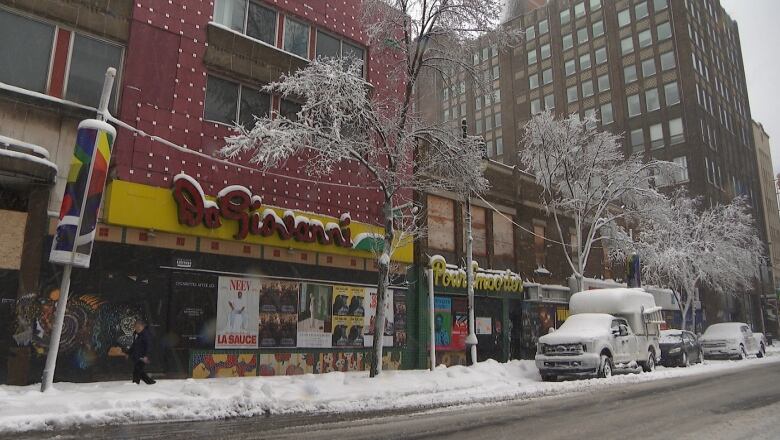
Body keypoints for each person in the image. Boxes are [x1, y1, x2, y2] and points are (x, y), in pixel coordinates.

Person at [128, 319, 155, 385]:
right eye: (136, 327)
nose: (137, 328)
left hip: (143, 356)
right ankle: (151, 382)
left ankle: (135, 384)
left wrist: (146, 356)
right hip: (138, 356)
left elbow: (149, 346)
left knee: (137, 371)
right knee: (140, 371)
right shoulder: (137, 334)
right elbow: (134, 345)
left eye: (139, 327)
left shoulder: (146, 334)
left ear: (143, 326)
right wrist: (128, 352)